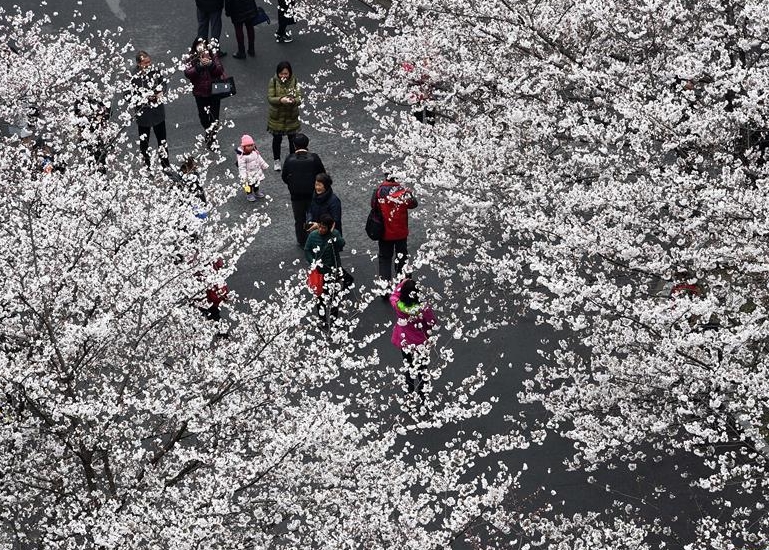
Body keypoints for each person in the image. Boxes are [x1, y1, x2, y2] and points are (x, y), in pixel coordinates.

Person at [390, 277, 437, 409]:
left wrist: (403, 283)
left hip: (404, 342)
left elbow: (394, 295)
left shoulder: (398, 305)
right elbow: (432, 322)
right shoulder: (422, 309)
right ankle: (423, 396)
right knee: (422, 370)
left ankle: (409, 395)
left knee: (408, 367)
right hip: (420, 343)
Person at [372, 176, 418, 290]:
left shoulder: (378, 191)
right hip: (400, 231)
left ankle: (385, 287)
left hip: (385, 231)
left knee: (385, 258)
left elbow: (373, 205)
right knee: (402, 257)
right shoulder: (403, 191)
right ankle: (403, 285)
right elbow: (413, 204)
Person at [281, 133, 326, 247]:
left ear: (294, 145)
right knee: (314, 216)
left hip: (296, 195)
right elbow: (322, 174)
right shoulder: (314, 158)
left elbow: (284, 176)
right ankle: (315, 237)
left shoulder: (289, 159)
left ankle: (302, 240)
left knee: (299, 219)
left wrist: (291, 184)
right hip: (312, 193)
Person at [129, 51, 169, 170]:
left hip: (157, 113)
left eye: (149, 62)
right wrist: (143, 98)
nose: (148, 65)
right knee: (144, 142)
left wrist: (162, 92)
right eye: (145, 63)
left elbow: (163, 83)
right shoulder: (132, 76)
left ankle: (165, 164)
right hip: (143, 114)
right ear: (138, 63)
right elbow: (127, 95)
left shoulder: (155, 71)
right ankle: (147, 165)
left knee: (162, 141)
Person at [304, 214, 346, 326]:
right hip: (319, 273)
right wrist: (313, 262)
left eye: (324, 228)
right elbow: (307, 250)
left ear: (329, 228)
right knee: (320, 297)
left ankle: (333, 320)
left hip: (333, 271)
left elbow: (341, 244)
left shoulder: (334, 234)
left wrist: (332, 234)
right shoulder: (313, 236)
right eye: (320, 227)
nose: (321, 230)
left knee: (333, 297)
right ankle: (322, 319)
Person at [184, 38, 225, 150]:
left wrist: (211, 64)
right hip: (200, 92)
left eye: (204, 47)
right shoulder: (191, 57)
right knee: (203, 117)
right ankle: (208, 132)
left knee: (214, 117)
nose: (202, 49)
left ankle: (211, 138)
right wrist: (199, 66)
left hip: (214, 91)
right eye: (200, 47)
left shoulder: (213, 54)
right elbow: (188, 73)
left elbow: (220, 70)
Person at [267, 61, 301, 171]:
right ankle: (276, 160)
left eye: (286, 73)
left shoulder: (295, 81)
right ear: (278, 73)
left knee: (292, 140)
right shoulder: (273, 81)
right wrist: (281, 100)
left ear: (290, 73)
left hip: (291, 116)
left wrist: (293, 101)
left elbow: (299, 98)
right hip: (277, 117)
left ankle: (292, 160)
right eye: (281, 73)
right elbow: (270, 98)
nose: (283, 76)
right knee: (277, 140)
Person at [236, 134, 269, 201]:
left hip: (255, 172)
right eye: (248, 146)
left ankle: (256, 192)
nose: (251, 147)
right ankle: (249, 194)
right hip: (248, 174)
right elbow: (241, 167)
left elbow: (259, 159)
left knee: (256, 183)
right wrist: (243, 175)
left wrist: (264, 165)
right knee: (248, 185)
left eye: (252, 145)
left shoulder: (255, 152)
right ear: (244, 147)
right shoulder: (242, 157)